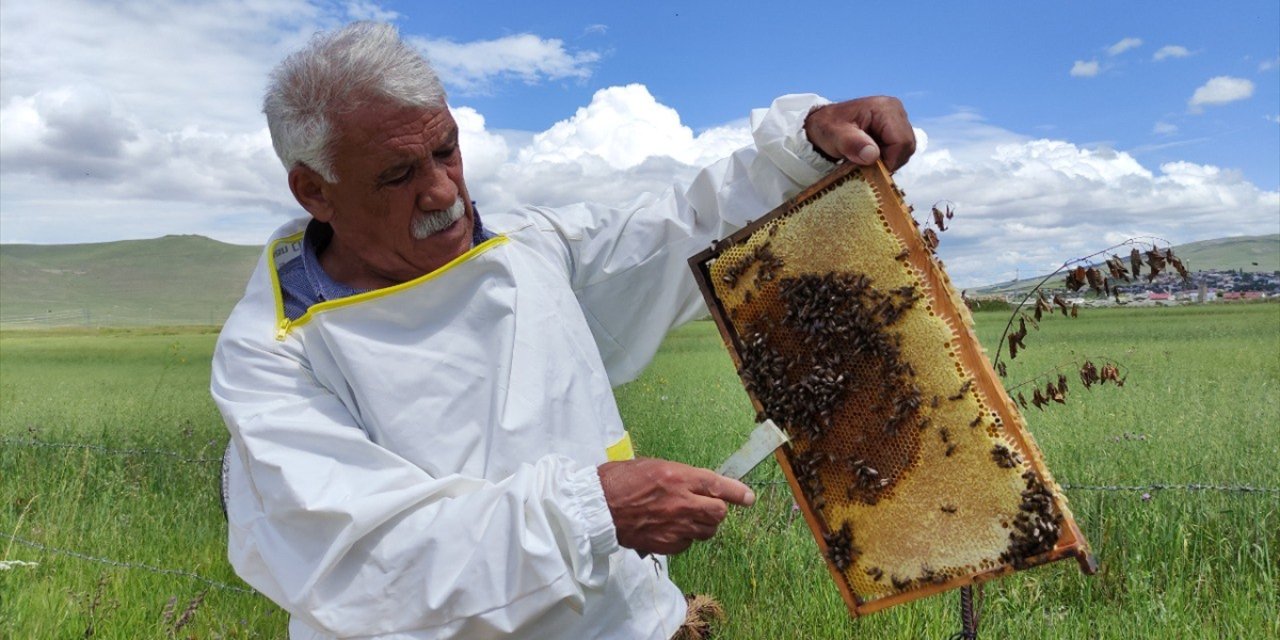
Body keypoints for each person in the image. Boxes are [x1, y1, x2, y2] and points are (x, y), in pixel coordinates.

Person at [212, 21, 915, 640]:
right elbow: (364, 565)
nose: (443, 192)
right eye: (397, 175)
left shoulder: (526, 244)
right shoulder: (272, 357)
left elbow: (677, 234)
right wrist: (593, 511)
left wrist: (805, 153)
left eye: (447, 151)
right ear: (314, 190)